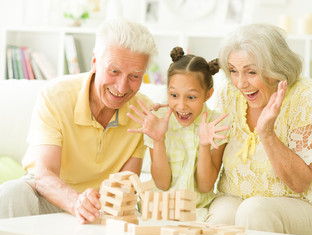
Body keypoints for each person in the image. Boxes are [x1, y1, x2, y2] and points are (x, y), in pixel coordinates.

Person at [0, 18, 157, 224]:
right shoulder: (55, 96)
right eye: (114, 71)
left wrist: (100, 205)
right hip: (50, 195)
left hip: (102, 205)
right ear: (94, 62)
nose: (121, 87)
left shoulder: (142, 111)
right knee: (11, 193)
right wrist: (76, 202)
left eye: (134, 76)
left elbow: (126, 184)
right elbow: (45, 175)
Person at [206, 24, 312, 235]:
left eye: (251, 71)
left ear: (276, 68)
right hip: (236, 196)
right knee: (221, 219)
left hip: (303, 203)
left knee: (253, 211)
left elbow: (301, 183)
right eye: (233, 71)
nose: (240, 83)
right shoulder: (228, 93)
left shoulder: (306, 95)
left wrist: (267, 134)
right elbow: (208, 174)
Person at [127, 47, 229, 221]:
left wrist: (204, 144)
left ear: (208, 94)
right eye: (174, 95)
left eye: (191, 97)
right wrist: (158, 140)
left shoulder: (217, 123)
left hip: (198, 212)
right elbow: (162, 183)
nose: (181, 106)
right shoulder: (157, 120)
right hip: (160, 209)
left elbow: (205, 186)